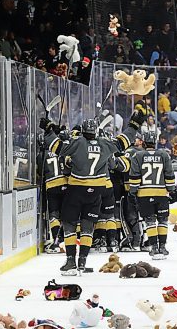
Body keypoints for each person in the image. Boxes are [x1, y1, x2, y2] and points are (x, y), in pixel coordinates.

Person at [39, 105, 146, 275]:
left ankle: (70, 262)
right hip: (96, 192)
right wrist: (134, 125)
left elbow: (55, 147)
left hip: (76, 191)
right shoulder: (105, 144)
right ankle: (82, 263)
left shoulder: (77, 142)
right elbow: (123, 141)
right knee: (88, 228)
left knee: (70, 226)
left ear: (83, 131)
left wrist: (48, 130)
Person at [129, 131, 177, 260]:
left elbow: (135, 177)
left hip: (144, 194)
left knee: (149, 221)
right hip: (161, 193)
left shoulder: (137, 156)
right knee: (162, 220)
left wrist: (132, 192)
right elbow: (169, 174)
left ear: (144, 142)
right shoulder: (164, 155)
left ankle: (154, 248)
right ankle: (162, 247)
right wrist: (171, 190)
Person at [36, 141, 69, 254]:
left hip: (52, 186)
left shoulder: (42, 155)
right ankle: (68, 240)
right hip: (65, 184)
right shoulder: (62, 150)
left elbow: (40, 173)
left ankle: (57, 240)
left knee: (54, 214)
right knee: (66, 214)